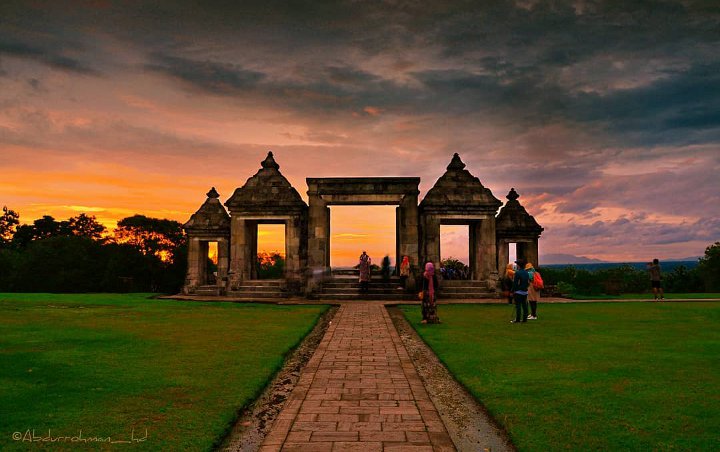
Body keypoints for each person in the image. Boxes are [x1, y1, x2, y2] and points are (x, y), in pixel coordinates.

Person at [511, 258, 530, 323]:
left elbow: (515, 283)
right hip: (525, 291)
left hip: (518, 292)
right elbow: (528, 283)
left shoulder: (517, 273)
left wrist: (512, 291)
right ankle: (525, 319)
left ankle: (518, 319)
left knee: (518, 306)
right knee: (525, 306)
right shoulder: (526, 273)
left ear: (518, 265)